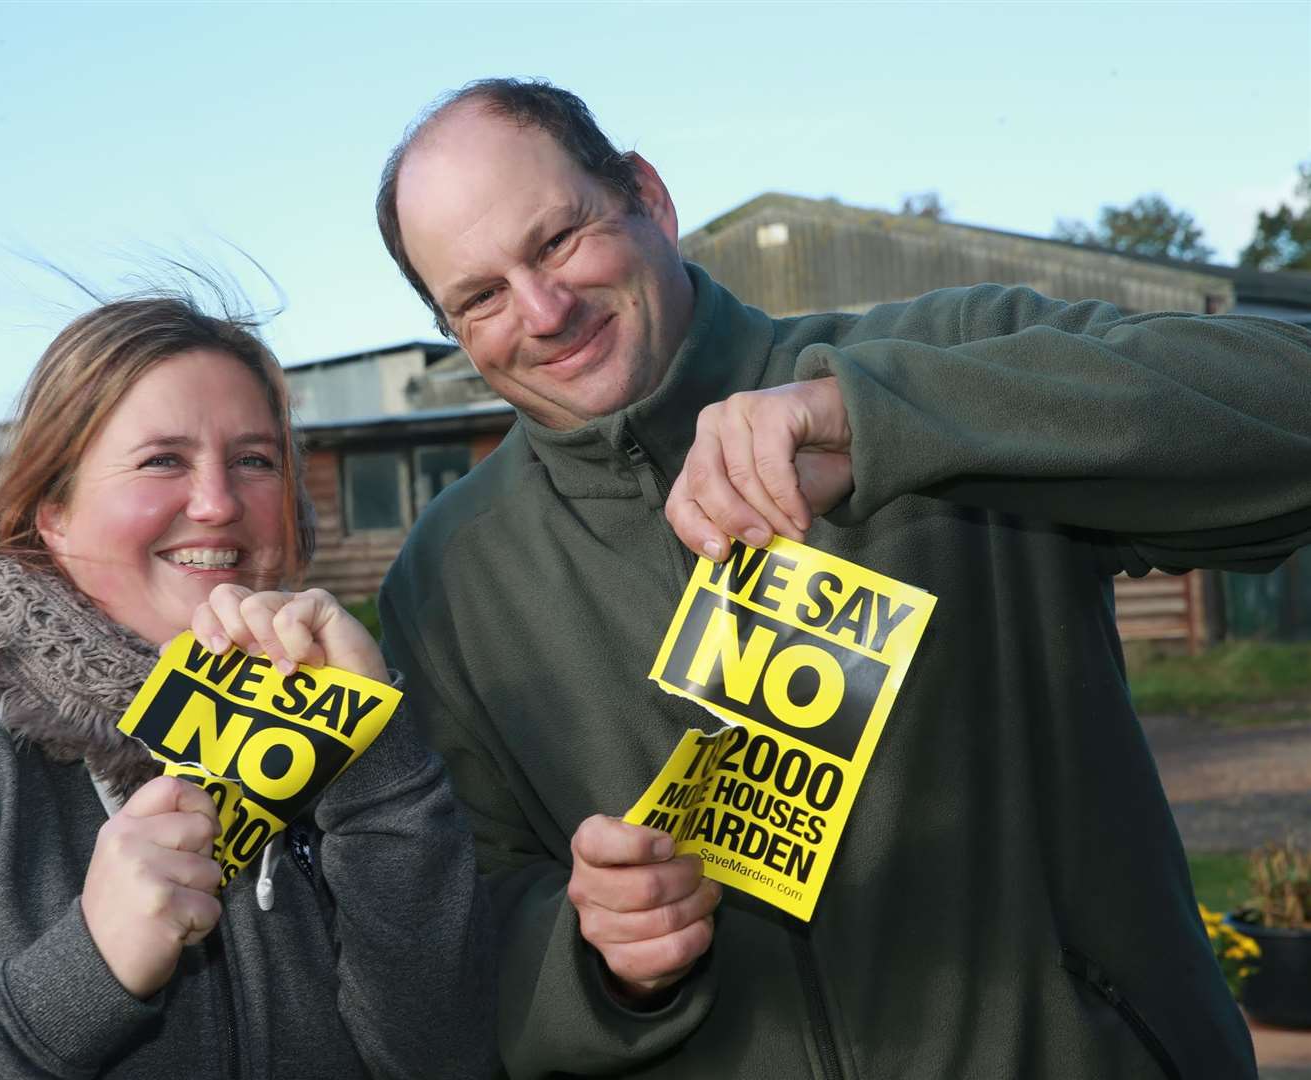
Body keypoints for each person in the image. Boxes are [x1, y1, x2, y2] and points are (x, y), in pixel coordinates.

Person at [370, 78, 1311, 1078]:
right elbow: (464, 947)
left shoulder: (934, 361)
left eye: (557, 240)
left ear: (648, 195)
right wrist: (596, 958)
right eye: (478, 297)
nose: (543, 311)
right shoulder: (444, 582)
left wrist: (883, 421)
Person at [0, 295, 497, 1078]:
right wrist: (85, 972)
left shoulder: (322, 721)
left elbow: (443, 1057)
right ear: (54, 512)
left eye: (255, 460)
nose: (218, 503)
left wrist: (374, 760)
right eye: (162, 460)